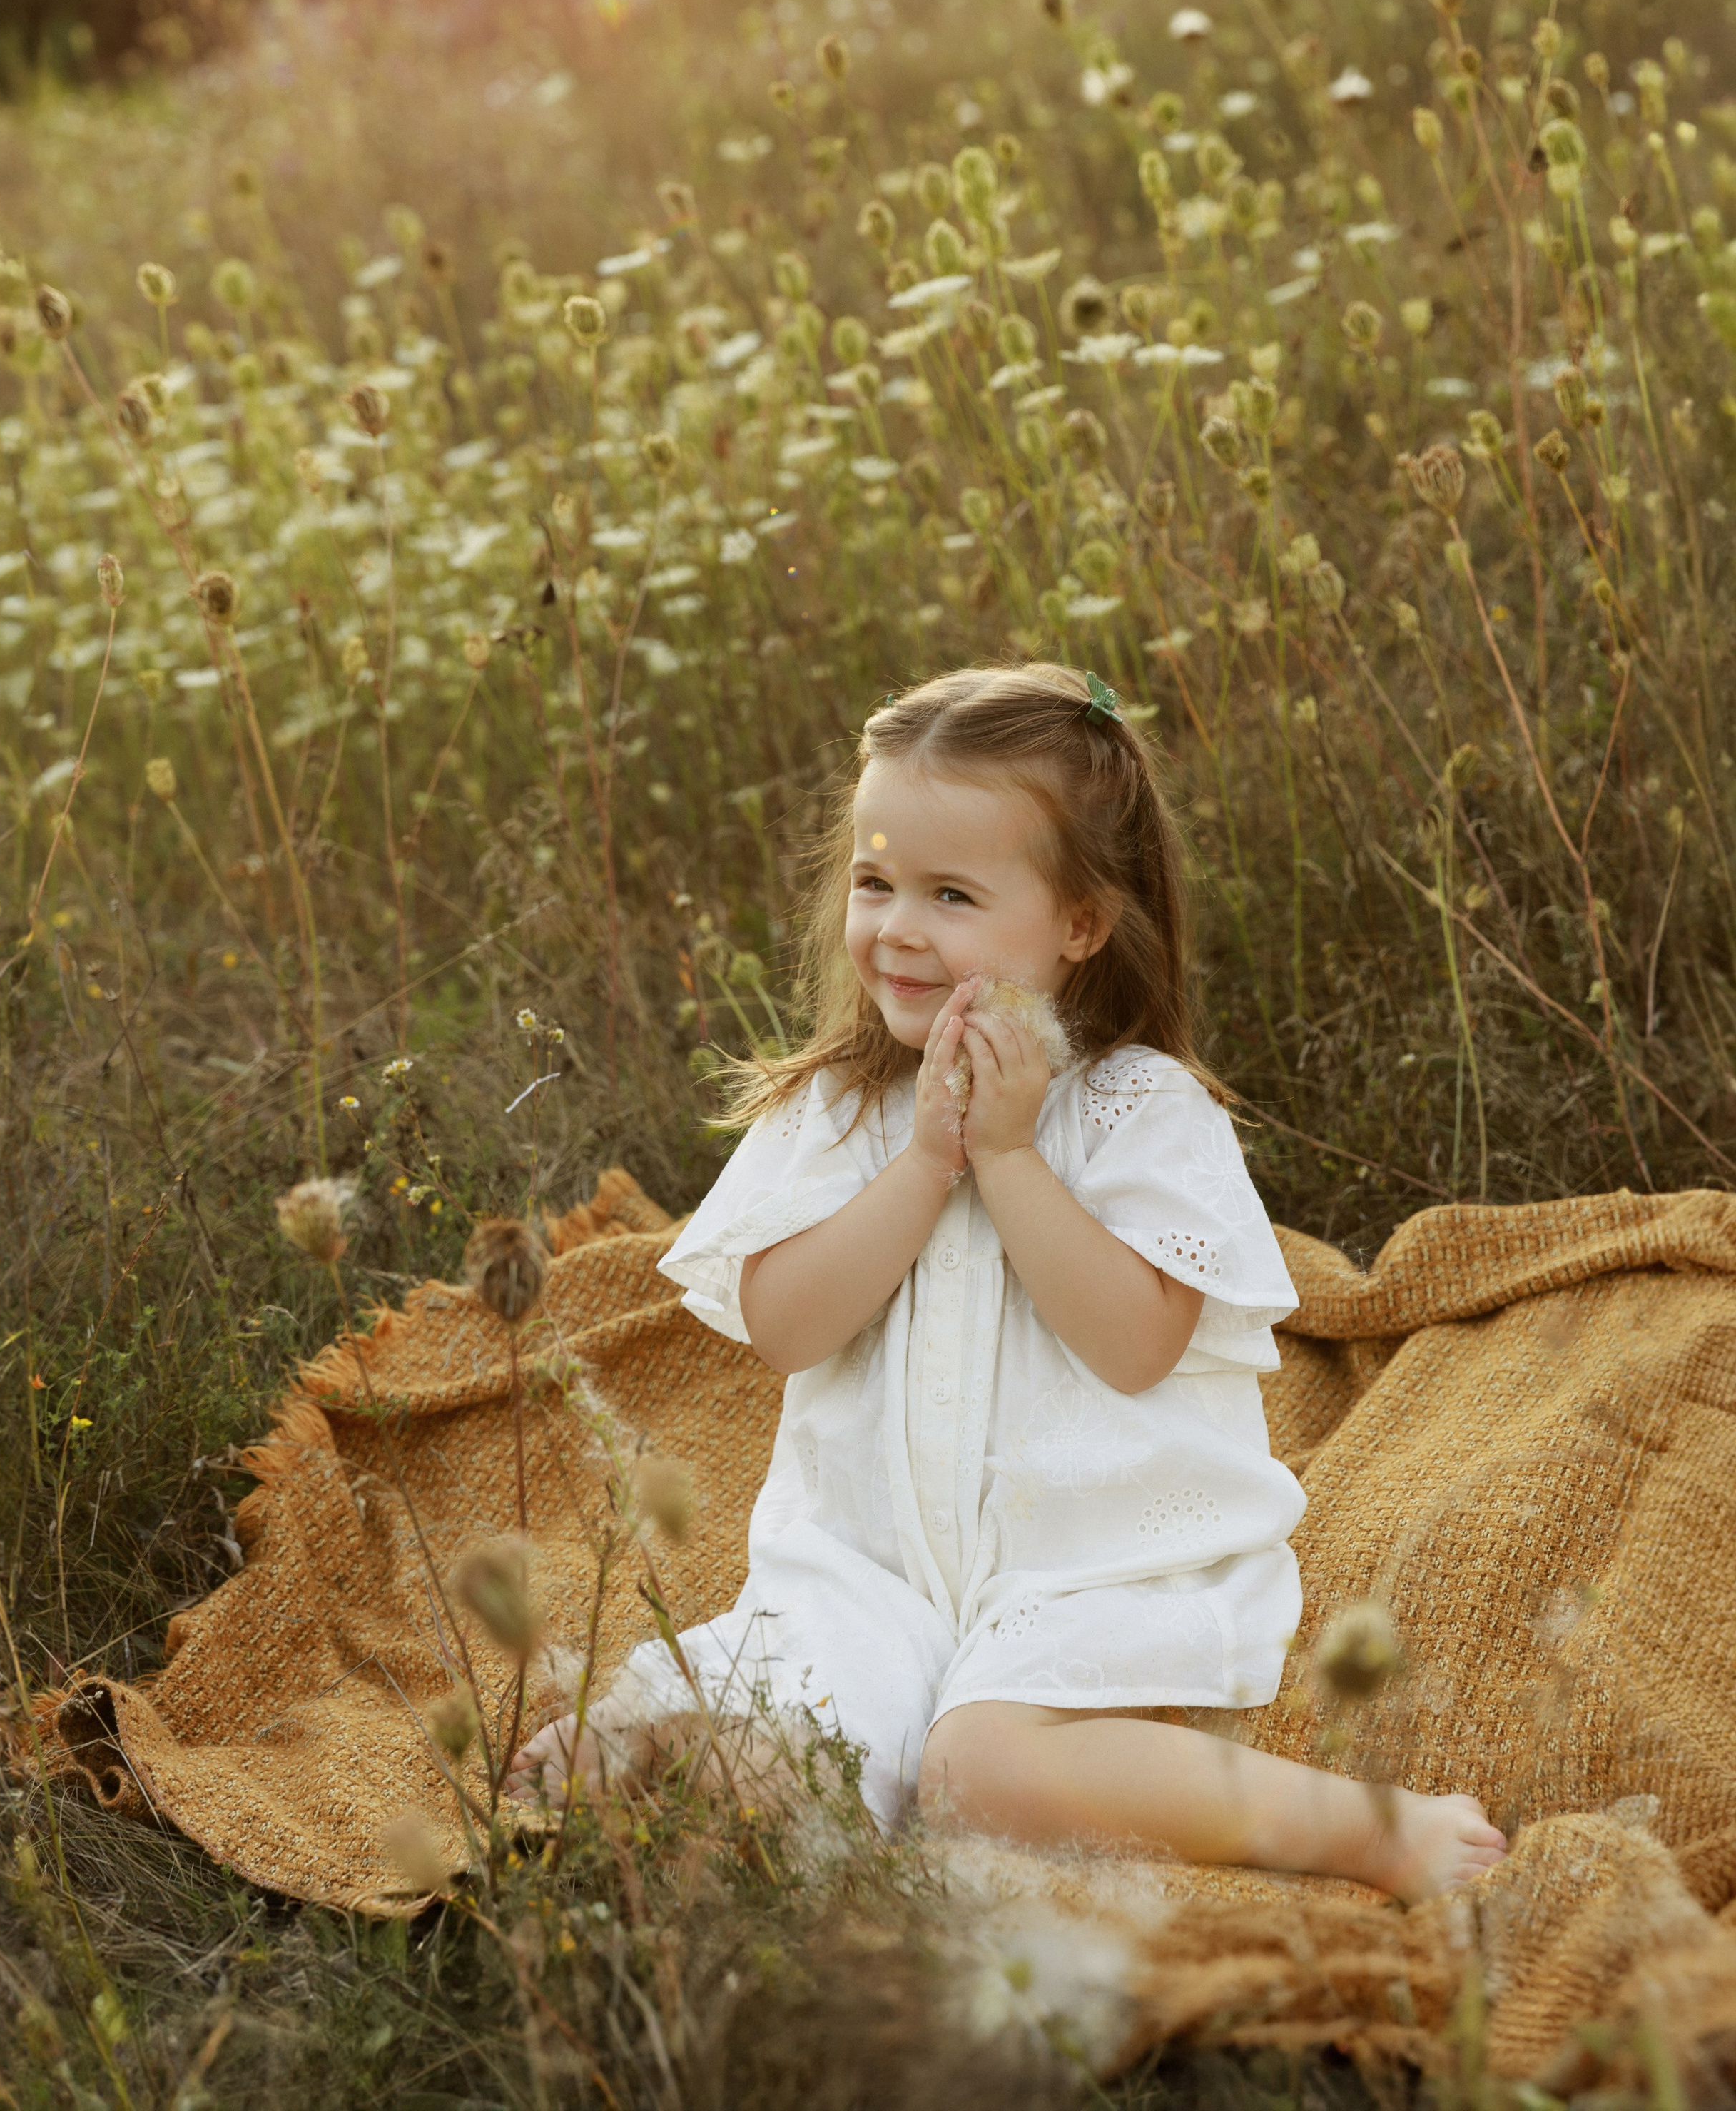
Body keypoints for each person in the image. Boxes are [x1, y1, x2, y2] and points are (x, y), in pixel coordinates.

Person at [518, 663, 1506, 1898]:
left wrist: (1006, 1153)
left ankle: (1364, 1828)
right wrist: (929, 1159)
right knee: (732, 1775)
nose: (899, 928)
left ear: (1080, 923)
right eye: (875, 884)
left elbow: (1138, 1344)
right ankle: (706, 1756)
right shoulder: (841, 1110)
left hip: (1090, 1566)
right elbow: (782, 1326)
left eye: (953, 894)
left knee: (980, 1776)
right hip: (867, 1574)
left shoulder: (1143, 1111)